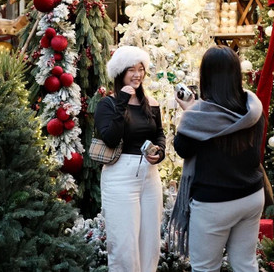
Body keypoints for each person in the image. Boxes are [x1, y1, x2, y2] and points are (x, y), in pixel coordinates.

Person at [169, 46, 264, 272]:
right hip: (251, 195)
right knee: (245, 265)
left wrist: (189, 112)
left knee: (205, 268)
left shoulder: (199, 115)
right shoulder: (253, 107)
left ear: (206, 76)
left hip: (214, 203)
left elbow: (182, 148)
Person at [94, 46, 166, 272]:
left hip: (150, 175)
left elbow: (159, 134)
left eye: (141, 69)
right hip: (120, 175)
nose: (137, 74)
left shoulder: (151, 103)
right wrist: (123, 100)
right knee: (124, 244)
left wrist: (160, 152)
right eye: (131, 70)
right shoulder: (108, 104)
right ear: (120, 73)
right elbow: (111, 138)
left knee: (150, 241)